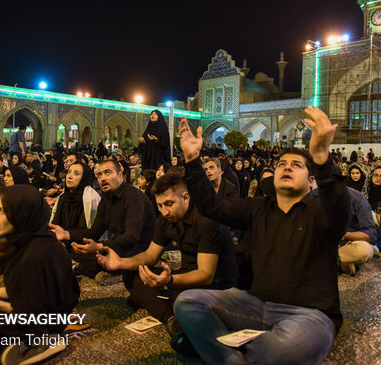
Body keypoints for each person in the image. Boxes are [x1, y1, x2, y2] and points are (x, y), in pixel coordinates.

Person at [173, 107, 349, 365]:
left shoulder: (320, 212)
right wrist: (191, 159)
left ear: (311, 181)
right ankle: (233, 359)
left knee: (282, 349)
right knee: (188, 302)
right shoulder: (258, 208)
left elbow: (338, 207)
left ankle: (245, 350)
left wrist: (322, 158)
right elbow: (213, 206)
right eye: (282, 164)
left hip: (307, 315)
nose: (287, 168)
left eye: (296, 165)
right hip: (254, 305)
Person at [97, 172, 238, 348]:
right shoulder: (165, 219)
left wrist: (169, 281)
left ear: (185, 197)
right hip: (185, 278)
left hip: (216, 287)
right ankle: (173, 319)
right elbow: (150, 256)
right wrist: (120, 263)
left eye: (169, 204)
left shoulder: (206, 220)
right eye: (160, 206)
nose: (164, 211)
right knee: (137, 279)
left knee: (181, 298)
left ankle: (182, 319)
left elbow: (206, 275)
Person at [0, 185, 79, 364]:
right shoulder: (25, 239)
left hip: (44, 324)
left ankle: (40, 343)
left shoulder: (36, 254)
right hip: (25, 310)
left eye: (1, 211)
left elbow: (33, 315)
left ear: (21, 212)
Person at [66, 159, 156, 282]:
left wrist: (100, 246)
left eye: (107, 173)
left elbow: (131, 237)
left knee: (96, 257)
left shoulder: (134, 197)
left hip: (137, 251)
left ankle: (118, 270)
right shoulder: (106, 199)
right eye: (99, 175)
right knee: (71, 250)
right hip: (116, 246)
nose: (102, 178)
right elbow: (94, 232)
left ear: (120, 175)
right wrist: (67, 234)